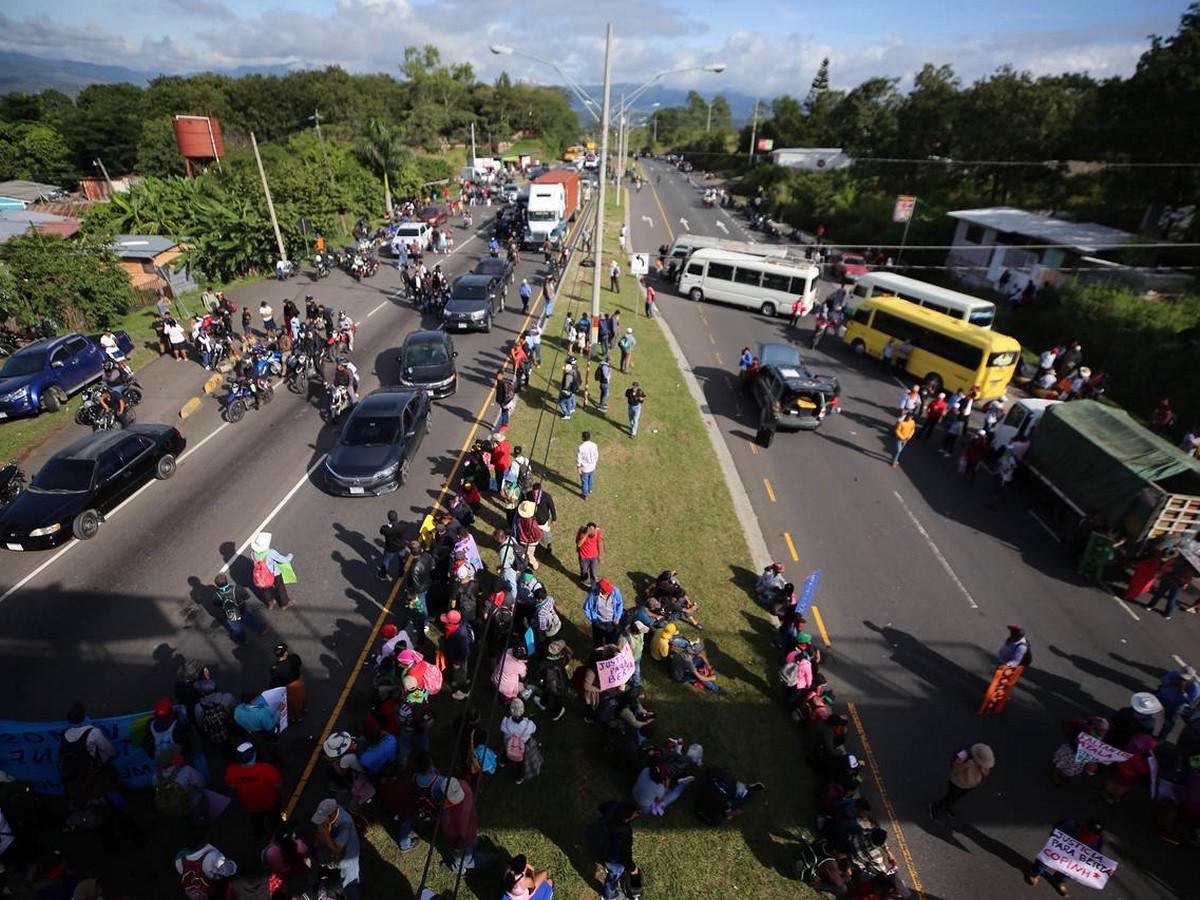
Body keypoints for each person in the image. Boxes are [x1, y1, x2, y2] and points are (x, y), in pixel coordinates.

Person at [1026, 818, 1104, 894]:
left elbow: (1096, 854)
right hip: (1059, 851)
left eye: (1094, 833)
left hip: (1074, 859)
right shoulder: (1072, 825)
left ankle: (1059, 880)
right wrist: (1055, 836)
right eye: (1090, 830)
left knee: (1070, 870)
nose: (1091, 833)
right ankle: (1035, 872)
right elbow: (1056, 832)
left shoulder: (1098, 840)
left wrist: (1104, 868)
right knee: (1047, 858)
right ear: (1085, 825)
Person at [225, 742, 282, 842]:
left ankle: (259, 837)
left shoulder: (231, 770)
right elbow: (278, 784)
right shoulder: (267, 769)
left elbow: (231, 786)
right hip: (271, 803)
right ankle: (280, 833)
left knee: (257, 822)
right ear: (254, 755)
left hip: (251, 806)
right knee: (275, 820)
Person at [929, 743, 994, 820]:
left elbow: (986, 773)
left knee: (956, 798)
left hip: (970, 785)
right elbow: (955, 767)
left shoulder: (984, 759)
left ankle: (947, 807)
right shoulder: (964, 753)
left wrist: (981, 768)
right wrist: (966, 765)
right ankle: (935, 807)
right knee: (950, 797)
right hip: (957, 783)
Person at [312, 799, 361, 899]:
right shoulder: (335, 810)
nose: (321, 822)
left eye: (323, 819)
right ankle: (359, 878)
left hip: (348, 859)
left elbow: (336, 850)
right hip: (342, 853)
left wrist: (326, 836)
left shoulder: (345, 826)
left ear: (332, 816)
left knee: (348, 886)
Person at [595, 800, 641, 900]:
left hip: (600, 843)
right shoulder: (623, 833)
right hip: (611, 857)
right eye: (635, 813)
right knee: (614, 876)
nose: (637, 814)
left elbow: (601, 807)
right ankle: (609, 896)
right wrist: (632, 868)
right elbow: (625, 855)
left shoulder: (612, 808)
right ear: (626, 818)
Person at [250, 532, 296, 609]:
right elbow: (283, 560)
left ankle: (270, 602)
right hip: (274, 574)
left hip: (262, 575)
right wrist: (290, 556)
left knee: (265, 588)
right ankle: (285, 603)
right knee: (280, 587)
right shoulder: (270, 552)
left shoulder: (253, 554)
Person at [1146, 553, 1194, 619]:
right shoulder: (1176, 560)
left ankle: (1166, 612)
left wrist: (1186, 582)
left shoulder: (1190, 567)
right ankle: (1151, 606)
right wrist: (1168, 569)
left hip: (1176, 583)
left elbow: (1189, 578)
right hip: (1169, 579)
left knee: (1171, 599)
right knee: (1160, 594)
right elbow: (1164, 567)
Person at [1158, 666, 1200, 739]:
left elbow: (1188, 701)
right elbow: (1164, 680)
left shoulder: (1195, 688)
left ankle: (1162, 737)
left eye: (1184, 679)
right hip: (1163, 696)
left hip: (1175, 705)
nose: (1181, 679)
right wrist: (1171, 683)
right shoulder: (1174, 673)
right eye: (1180, 677)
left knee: (1169, 722)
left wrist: (1182, 691)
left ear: (1191, 678)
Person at [269, 642, 307, 722]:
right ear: (285, 653)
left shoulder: (275, 667)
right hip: (298, 680)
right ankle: (304, 708)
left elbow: (274, 677)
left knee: (294, 703)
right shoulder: (293, 658)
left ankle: (297, 718)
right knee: (301, 696)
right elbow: (299, 663)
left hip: (289, 686)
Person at [584, 578, 624, 646]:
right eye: (607, 591)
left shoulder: (615, 591)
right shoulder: (594, 594)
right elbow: (586, 608)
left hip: (611, 622)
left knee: (611, 642)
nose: (610, 592)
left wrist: (617, 617)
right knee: (597, 642)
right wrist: (593, 619)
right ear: (601, 590)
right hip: (598, 622)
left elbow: (619, 604)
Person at [379, 510, 407, 580]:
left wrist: (388, 525)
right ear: (397, 517)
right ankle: (401, 573)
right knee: (401, 560)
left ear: (389, 518)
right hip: (401, 546)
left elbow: (381, 531)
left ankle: (382, 575)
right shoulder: (402, 526)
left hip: (390, 548)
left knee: (386, 561)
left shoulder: (386, 529)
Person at [577, 431, 599, 499]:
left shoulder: (581, 447)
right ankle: (590, 489)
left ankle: (585, 494)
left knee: (584, 481)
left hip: (585, 468)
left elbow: (579, 458)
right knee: (591, 478)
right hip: (592, 466)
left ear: (583, 438)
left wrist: (578, 466)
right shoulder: (594, 445)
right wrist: (594, 462)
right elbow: (596, 455)